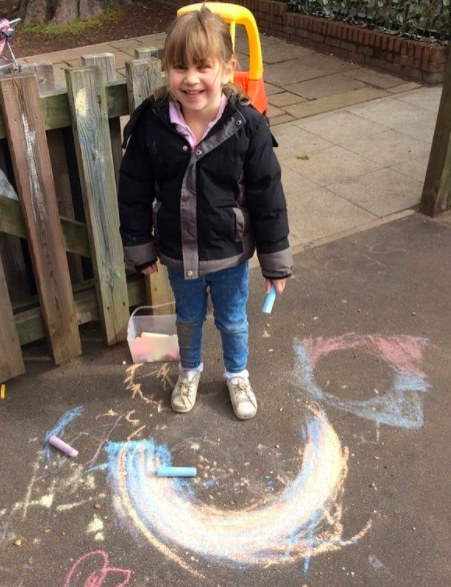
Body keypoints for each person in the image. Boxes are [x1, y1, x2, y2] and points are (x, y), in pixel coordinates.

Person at [118, 5, 292, 420]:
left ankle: (237, 375)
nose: (190, 78)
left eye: (202, 66)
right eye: (180, 67)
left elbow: (268, 194)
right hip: (179, 252)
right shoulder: (152, 124)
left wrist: (274, 260)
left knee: (232, 320)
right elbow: (134, 188)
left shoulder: (247, 125)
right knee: (189, 317)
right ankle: (190, 369)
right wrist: (141, 247)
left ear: (228, 69)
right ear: (167, 69)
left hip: (229, 252)